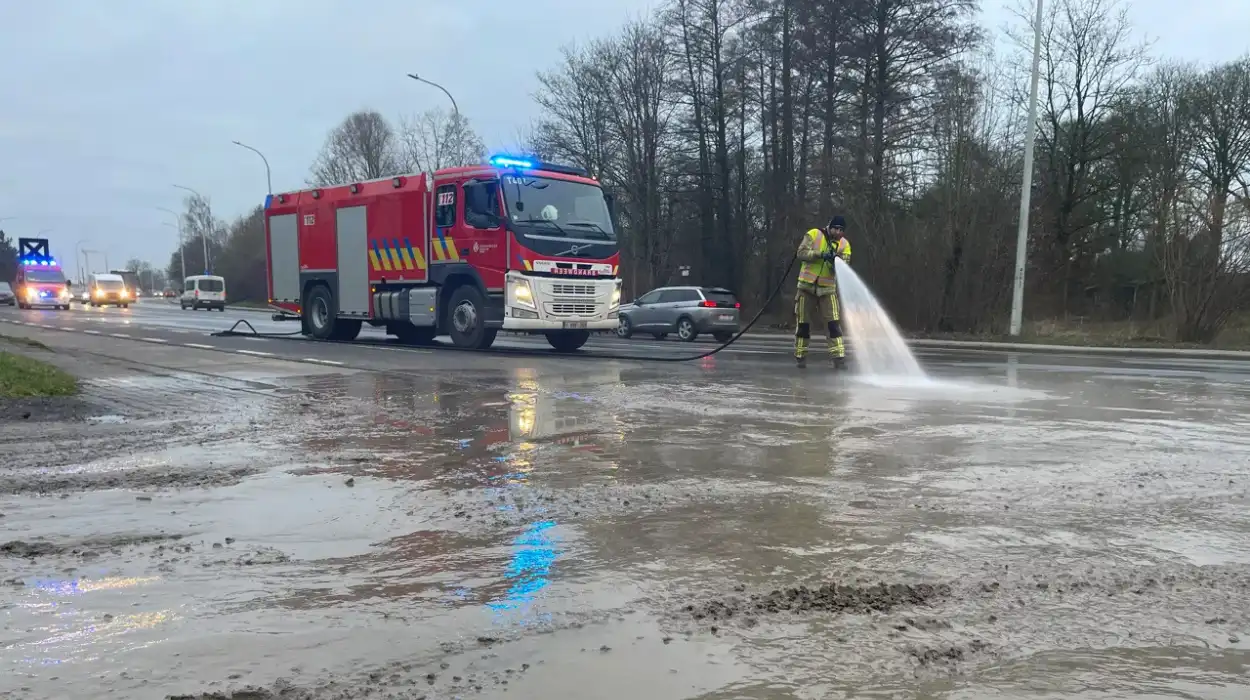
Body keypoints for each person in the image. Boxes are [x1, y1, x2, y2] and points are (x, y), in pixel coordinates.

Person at [794, 215, 852, 369]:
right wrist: (819, 254)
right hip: (806, 287)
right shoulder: (814, 234)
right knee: (803, 324)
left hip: (827, 290)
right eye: (836, 229)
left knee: (833, 324)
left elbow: (845, 266)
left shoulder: (844, 245)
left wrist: (834, 261)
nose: (839, 233)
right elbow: (801, 253)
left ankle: (838, 358)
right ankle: (801, 356)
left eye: (842, 230)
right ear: (830, 227)